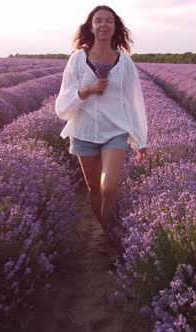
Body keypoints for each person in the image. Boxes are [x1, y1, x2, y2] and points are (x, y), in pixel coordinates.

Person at [55, 5, 148, 256]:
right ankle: (106, 231)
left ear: (115, 27)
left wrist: (140, 139)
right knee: (93, 188)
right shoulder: (77, 59)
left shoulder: (124, 62)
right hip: (83, 131)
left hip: (115, 130)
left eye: (108, 21)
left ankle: (107, 237)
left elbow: (134, 100)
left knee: (109, 187)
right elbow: (63, 100)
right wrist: (87, 90)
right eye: (98, 20)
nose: (103, 25)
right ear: (91, 26)